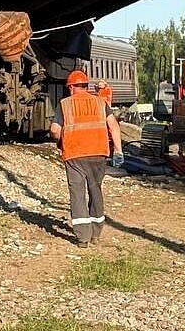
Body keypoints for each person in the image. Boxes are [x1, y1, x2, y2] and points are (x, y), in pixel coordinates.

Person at [50, 69, 123, 247]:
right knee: (95, 190)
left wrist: (61, 141)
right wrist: (118, 151)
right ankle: (96, 233)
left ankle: (83, 238)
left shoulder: (65, 104)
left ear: (71, 87)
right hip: (98, 153)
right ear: (86, 86)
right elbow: (113, 126)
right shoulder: (100, 102)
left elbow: (54, 130)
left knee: (77, 193)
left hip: (74, 155)